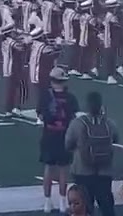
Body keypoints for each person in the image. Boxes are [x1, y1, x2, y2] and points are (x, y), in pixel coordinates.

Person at [65, 90, 119, 216]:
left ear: (87, 106)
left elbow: (67, 144)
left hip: (82, 170)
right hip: (105, 171)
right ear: (101, 106)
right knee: (107, 206)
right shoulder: (109, 123)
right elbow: (116, 138)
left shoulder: (77, 123)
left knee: (84, 206)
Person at [37, 68, 79, 213]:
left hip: (49, 136)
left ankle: (48, 202)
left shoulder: (45, 96)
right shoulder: (71, 97)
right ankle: (62, 202)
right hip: (64, 136)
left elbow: (41, 116)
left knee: (48, 169)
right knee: (63, 171)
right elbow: (74, 117)